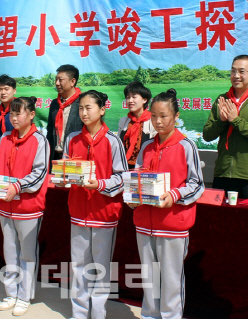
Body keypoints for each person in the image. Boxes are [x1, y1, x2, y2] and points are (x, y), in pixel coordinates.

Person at [132, 89, 204, 319]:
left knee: (171, 279)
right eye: (153, 116)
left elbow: (196, 184)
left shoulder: (186, 146)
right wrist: (133, 197)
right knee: (149, 277)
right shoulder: (146, 147)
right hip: (144, 221)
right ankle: (149, 315)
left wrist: (174, 195)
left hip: (173, 224)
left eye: (163, 116)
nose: (158, 121)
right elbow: (137, 178)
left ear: (176, 116)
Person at [62, 90, 126, 319]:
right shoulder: (72, 139)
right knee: (78, 266)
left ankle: (98, 314)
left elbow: (122, 179)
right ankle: (79, 313)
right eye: (81, 108)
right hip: (78, 210)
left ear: (102, 109)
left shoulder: (113, 141)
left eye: (89, 107)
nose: (84, 112)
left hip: (104, 213)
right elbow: (65, 173)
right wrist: (63, 177)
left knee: (100, 268)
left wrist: (99, 184)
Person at [0, 96, 50, 316]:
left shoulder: (40, 140)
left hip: (28, 206)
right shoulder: (4, 138)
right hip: (5, 204)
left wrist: (17, 186)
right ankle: (11, 292)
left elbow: (40, 173)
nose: (14, 118)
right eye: (12, 114)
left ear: (32, 115)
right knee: (10, 251)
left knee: (27, 254)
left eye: (19, 113)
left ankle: (25, 296)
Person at [203, 55, 248, 199]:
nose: (236, 76)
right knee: (220, 218)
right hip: (222, 172)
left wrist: (236, 121)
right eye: (233, 71)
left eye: (242, 72)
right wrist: (222, 121)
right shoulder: (222, 99)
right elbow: (207, 135)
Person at [48, 65, 83, 161]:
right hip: (55, 157)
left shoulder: (82, 102)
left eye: (60, 80)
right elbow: (50, 131)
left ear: (72, 81)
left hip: (75, 156)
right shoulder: (55, 103)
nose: (57, 83)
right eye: (56, 80)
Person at [117, 81, 156, 169]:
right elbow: (119, 146)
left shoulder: (153, 121)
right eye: (128, 97)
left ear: (144, 100)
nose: (130, 101)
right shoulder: (123, 121)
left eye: (134, 97)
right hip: (125, 168)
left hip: (146, 168)